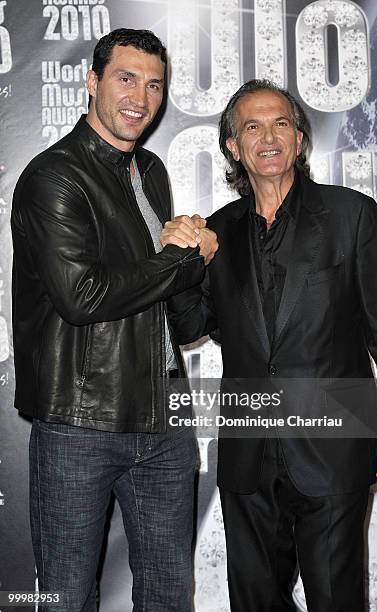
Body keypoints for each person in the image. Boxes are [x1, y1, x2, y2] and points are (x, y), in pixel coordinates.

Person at [165, 80, 377, 611]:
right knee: (254, 600)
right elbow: (188, 328)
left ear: (299, 138)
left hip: (334, 445)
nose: (268, 137)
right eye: (251, 126)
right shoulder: (218, 232)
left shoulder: (351, 215)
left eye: (280, 124)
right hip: (249, 453)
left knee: (335, 598)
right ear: (233, 145)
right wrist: (184, 263)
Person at [11, 28, 217, 612]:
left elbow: (165, 293)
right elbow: (84, 296)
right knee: (66, 598)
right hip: (81, 423)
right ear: (92, 80)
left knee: (170, 595)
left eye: (155, 85)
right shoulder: (53, 177)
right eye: (126, 78)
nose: (142, 98)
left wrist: (191, 268)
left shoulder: (150, 170)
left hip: (165, 423)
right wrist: (182, 255)